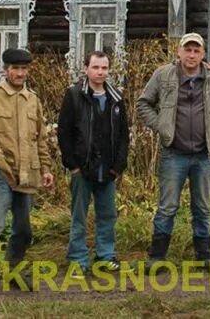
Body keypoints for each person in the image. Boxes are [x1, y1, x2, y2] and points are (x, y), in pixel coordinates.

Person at [136, 32, 210, 267]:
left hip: (205, 155)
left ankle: (204, 256)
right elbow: (143, 102)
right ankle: (157, 257)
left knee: (202, 207)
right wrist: (160, 126)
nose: (191, 55)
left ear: (203, 54)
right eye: (187, 50)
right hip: (174, 154)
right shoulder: (163, 75)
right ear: (179, 51)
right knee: (167, 207)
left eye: (196, 51)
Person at [0, 48, 54, 306]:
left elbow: (41, 138)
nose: (20, 73)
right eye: (15, 69)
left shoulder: (32, 100)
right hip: (1, 174)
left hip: (28, 175)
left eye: (24, 69)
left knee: (24, 230)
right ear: (6, 70)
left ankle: (13, 273)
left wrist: (47, 169)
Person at [57, 50, 129, 276]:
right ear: (86, 69)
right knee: (79, 215)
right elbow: (64, 132)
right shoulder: (74, 95)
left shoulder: (116, 98)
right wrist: (72, 165)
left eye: (104, 68)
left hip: (107, 168)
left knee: (107, 214)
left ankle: (105, 257)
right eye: (96, 67)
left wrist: (119, 166)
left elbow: (123, 136)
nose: (100, 72)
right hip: (82, 167)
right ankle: (78, 259)